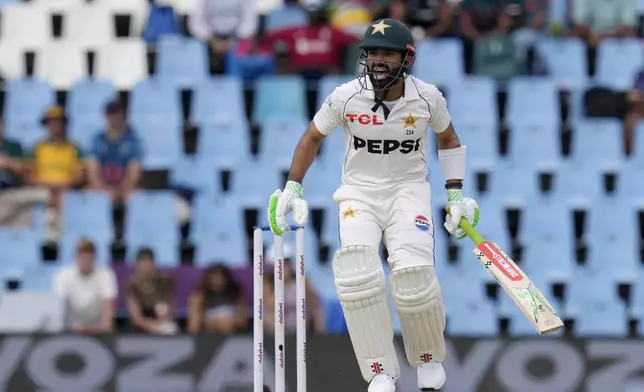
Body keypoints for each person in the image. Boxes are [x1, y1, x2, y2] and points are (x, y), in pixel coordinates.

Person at [267, 18, 480, 392]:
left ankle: (428, 357)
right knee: (356, 274)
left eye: (387, 53)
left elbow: (448, 139)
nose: (378, 60)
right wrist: (292, 188)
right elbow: (312, 137)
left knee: (413, 275)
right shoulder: (346, 96)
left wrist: (455, 193)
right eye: (373, 53)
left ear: (406, 58)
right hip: (359, 194)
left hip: (407, 192)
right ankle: (380, 369)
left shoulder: (428, 97)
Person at [53, 238, 117, 333]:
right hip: (70, 332)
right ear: (76, 256)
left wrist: (101, 331)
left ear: (95, 257)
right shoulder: (63, 276)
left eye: (89, 255)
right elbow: (60, 309)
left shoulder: (106, 275)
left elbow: (108, 309)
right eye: (82, 255)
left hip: (99, 331)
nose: (85, 259)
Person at [86, 100, 143, 206]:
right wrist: (103, 189)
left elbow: (134, 173)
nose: (114, 118)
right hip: (102, 186)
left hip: (125, 187)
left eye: (118, 114)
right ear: (106, 116)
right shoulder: (97, 140)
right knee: (86, 197)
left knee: (138, 198)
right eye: (111, 114)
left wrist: (121, 191)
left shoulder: (133, 141)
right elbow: (92, 172)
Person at [263, 242, 325, 334]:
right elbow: (270, 308)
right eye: (278, 264)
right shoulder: (267, 284)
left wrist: (320, 335)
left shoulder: (302, 281)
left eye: (286, 262)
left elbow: (315, 309)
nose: (283, 267)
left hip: (302, 334)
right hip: (276, 335)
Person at [125, 248, 178, 334]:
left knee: (171, 329)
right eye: (142, 263)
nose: (145, 266)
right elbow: (136, 318)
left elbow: (170, 308)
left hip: (163, 323)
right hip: (140, 329)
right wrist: (156, 327)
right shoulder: (131, 284)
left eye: (147, 262)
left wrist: (163, 323)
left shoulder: (166, 281)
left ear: (154, 263)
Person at [187, 264, 248, 333]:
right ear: (207, 280)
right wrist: (215, 323)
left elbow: (242, 321)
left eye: (221, 279)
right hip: (208, 335)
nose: (217, 282)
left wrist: (228, 322)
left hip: (234, 335)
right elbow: (193, 326)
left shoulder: (236, 294)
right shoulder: (199, 296)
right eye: (213, 279)